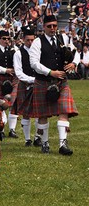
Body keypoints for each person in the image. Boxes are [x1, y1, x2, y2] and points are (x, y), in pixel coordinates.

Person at [29, 15, 79, 155]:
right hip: (43, 81)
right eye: (49, 26)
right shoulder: (38, 42)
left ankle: (63, 144)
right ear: (43, 27)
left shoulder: (63, 39)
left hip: (61, 82)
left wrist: (74, 63)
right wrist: (51, 72)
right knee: (44, 114)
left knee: (64, 111)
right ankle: (45, 143)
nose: (52, 29)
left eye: (54, 26)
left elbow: (76, 53)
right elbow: (34, 63)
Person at [13, 28, 42, 147]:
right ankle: (27, 139)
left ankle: (37, 137)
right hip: (25, 85)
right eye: (28, 40)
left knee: (40, 113)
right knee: (26, 113)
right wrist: (32, 80)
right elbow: (18, 73)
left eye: (32, 40)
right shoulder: (18, 53)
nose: (30, 42)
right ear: (23, 40)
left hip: (39, 84)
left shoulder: (39, 51)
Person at [0, 30, 19, 138]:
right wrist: (5, 70)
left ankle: (12, 130)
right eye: (4, 39)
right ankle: (0, 128)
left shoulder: (15, 51)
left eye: (8, 39)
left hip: (12, 80)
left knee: (13, 103)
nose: (6, 41)